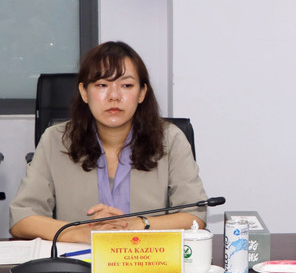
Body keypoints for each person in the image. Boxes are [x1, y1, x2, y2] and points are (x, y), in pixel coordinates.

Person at [9, 41, 207, 242]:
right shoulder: (55, 140)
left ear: (141, 93)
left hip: (148, 263)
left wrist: (137, 224)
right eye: (102, 85)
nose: (114, 96)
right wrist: (81, 233)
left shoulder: (170, 140)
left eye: (126, 85)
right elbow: (21, 219)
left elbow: (194, 216)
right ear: (84, 92)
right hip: (77, 267)